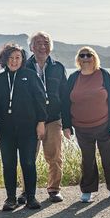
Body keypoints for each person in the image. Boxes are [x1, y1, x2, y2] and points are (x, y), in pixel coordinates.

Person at [62, 46, 110, 203]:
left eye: (88, 55)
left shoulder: (104, 75)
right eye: (82, 55)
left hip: (105, 126)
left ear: (94, 57)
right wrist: (66, 125)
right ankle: (87, 191)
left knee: (109, 158)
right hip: (82, 128)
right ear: (78, 59)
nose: (85, 58)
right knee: (87, 160)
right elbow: (65, 103)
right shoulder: (73, 78)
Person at [0, 43, 47, 210]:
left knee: (28, 162)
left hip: (28, 129)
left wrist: (41, 122)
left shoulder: (30, 76)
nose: (14, 61)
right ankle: (10, 199)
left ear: (22, 59)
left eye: (17, 58)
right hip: (6, 131)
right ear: (4, 59)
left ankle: (31, 197)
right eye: (10, 58)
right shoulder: (0, 79)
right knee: (8, 164)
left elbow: (40, 100)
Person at [16, 31, 70, 204]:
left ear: (50, 46)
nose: (42, 46)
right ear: (31, 47)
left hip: (53, 119)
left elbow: (65, 96)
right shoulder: (24, 67)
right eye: (38, 43)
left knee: (54, 156)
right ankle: (26, 191)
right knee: (28, 157)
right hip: (30, 121)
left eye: (45, 42)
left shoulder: (58, 67)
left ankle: (54, 189)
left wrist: (67, 123)